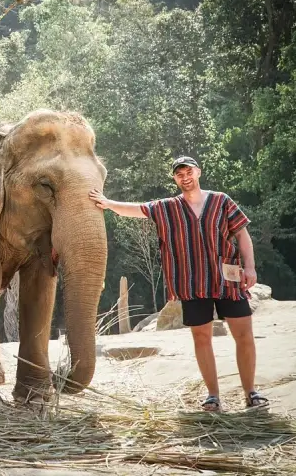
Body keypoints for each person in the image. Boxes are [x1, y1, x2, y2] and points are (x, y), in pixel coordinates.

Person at [89, 156, 269, 412]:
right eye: (179, 174)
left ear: (198, 172)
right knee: (201, 338)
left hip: (227, 278)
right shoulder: (168, 207)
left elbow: (242, 233)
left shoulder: (221, 200)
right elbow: (137, 209)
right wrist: (107, 204)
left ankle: (251, 392)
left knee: (244, 335)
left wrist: (250, 267)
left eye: (188, 171)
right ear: (175, 178)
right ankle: (213, 396)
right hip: (191, 282)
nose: (185, 177)